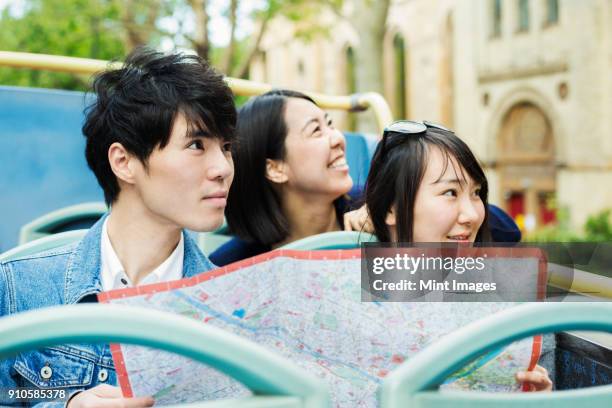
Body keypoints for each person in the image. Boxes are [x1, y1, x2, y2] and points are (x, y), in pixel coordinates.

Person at [0, 47, 237, 407]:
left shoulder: (235, 306)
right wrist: (66, 403)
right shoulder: (17, 286)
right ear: (124, 161)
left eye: (227, 147)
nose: (222, 167)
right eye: (196, 145)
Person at [210, 91, 520, 266]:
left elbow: (505, 231)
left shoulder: (375, 211)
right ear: (275, 167)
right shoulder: (240, 263)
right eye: (316, 131)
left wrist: (394, 212)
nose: (337, 138)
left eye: (331, 125)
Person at [364, 120, 553, 391]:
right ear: (390, 208)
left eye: (476, 193)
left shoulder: (508, 309)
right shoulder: (345, 306)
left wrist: (540, 399)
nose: (473, 215)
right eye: (450, 192)